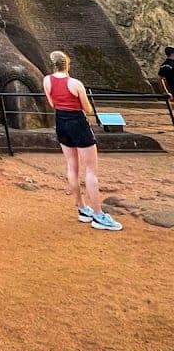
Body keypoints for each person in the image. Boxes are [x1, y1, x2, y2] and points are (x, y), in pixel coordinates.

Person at [42, 50, 122, 232]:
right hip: (78, 122)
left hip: (60, 121)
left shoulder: (47, 80)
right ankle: (98, 215)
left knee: (72, 166)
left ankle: (81, 208)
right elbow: (87, 108)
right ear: (67, 64)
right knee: (91, 171)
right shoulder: (75, 83)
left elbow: (52, 103)